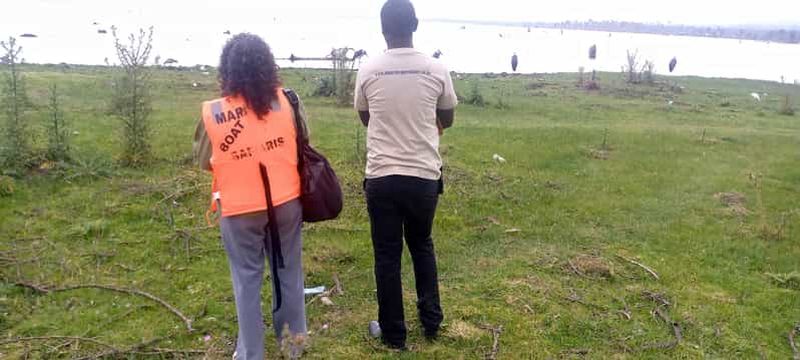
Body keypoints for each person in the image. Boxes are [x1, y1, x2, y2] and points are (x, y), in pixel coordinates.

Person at [193, 33, 310, 360]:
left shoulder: (214, 112)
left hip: (239, 208)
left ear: (227, 70)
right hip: (286, 202)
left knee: (246, 281)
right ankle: (292, 347)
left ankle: (251, 353)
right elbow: (304, 141)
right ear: (268, 65)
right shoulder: (288, 101)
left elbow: (204, 160)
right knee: (289, 273)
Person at [354, 0, 457, 350]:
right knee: (421, 244)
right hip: (423, 175)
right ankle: (431, 321)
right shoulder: (435, 68)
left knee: (387, 255)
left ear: (382, 29)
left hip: (382, 176)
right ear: (416, 25)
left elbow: (366, 117)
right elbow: (448, 117)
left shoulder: (369, 70)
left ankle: (394, 335)